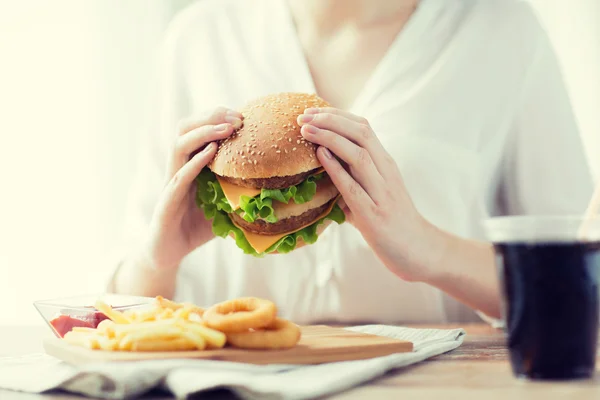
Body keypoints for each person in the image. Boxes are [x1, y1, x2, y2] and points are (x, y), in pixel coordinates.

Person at [107, 0, 594, 325]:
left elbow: (580, 288)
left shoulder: (502, 31)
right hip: (237, 384)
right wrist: (157, 259)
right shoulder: (200, 36)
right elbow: (124, 306)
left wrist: (430, 250)